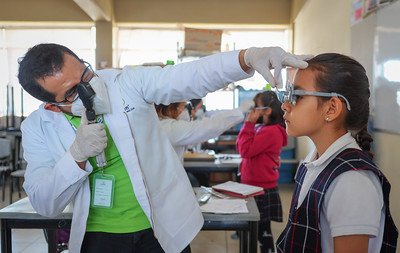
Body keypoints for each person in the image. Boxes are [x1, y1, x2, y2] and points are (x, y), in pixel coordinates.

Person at [17, 43, 310, 253]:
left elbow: (187, 77)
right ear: (51, 105)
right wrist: (76, 157)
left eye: (86, 76)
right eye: (71, 92)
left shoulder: (125, 82)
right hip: (100, 235)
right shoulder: (37, 129)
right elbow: (45, 202)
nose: (88, 90)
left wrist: (246, 58)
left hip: (160, 227)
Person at [275, 53, 398, 253]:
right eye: (287, 94)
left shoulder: (351, 182)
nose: (285, 105)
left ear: (331, 108)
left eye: (297, 96)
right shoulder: (312, 161)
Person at [236, 90, 287, 253]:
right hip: (254, 184)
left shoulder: (270, 131)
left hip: (260, 187)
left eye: (256, 107)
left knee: (262, 232)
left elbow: (245, 150)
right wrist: (250, 126)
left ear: (267, 110)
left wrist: (248, 124)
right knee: (256, 230)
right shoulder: (262, 128)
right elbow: (241, 147)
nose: (252, 112)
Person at [155, 101, 251, 186]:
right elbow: (208, 127)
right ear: (172, 108)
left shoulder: (161, 125)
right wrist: (239, 111)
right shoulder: (169, 128)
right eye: (184, 107)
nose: (186, 111)